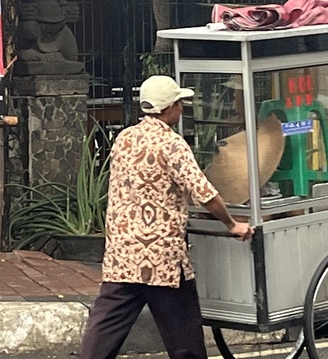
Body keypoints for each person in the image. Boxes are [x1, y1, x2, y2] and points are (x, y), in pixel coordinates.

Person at [79, 75, 254, 359]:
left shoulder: (124, 138)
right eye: (179, 102)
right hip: (162, 260)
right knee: (185, 339)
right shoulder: (172, 144)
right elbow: (204, 192)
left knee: (103, 332)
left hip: (122, 254)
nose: (182, 107)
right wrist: (232, 224)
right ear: (169, 107)